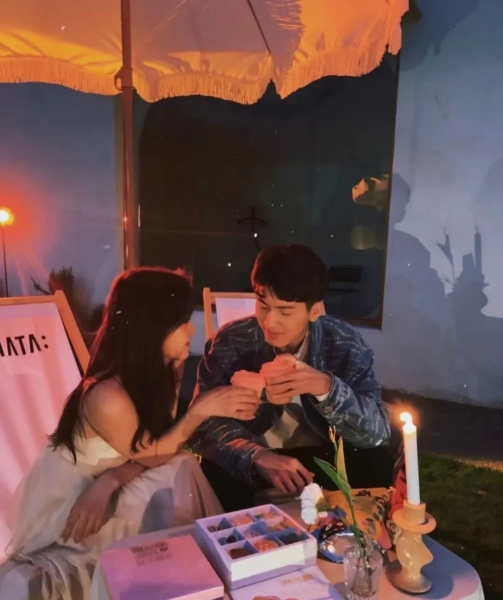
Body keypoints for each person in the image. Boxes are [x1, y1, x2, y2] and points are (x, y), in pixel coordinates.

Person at [0, 267, 259, 600]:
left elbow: (154, 450)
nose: (192, 329)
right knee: (173, 477)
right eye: (183, 321)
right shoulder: (108, 397)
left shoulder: (162, 370)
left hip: (114, 477)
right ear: (153, 328)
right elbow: (153, 452)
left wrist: (111, 480)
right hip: (73, 499)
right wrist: (198, 411)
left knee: (179, 469)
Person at [191, 245, 401, 511]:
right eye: (263, 306)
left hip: (322, 454)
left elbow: (376, 432)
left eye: (286, 311)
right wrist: (258, 455)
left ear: (314, 311)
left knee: (375, 462)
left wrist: (326, 387)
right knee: (217, 469)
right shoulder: (231, 341)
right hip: (255, 455)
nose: (270, 322)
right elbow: (202, 423)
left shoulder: (343, 343)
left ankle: (352, 533)